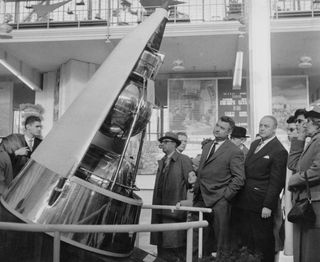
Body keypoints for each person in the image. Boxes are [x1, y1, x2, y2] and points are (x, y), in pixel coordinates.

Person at [233, 115, 288, 262]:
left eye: (266, 126)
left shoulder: (279, 150)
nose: (262, 128)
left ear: (275, 128)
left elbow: (276, 182)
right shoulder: (255, 144)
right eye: (261, 125)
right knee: (247, 240)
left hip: (261, 203)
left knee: (263, 242)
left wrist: (268, 206)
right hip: (245, 200)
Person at [193, 116, 245, 258]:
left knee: (221, 242)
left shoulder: (234, 151)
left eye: (222, 128)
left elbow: (239, 178)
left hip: (220, 201)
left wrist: (225, 197)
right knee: (199, 239)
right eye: (217, 125)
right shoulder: (208, 146)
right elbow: (202, 170)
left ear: (229, 132)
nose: (217, 129)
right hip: (200, 197)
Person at [150, 131, 194, 262]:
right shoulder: (163, 161)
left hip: (174, 212)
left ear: (174, 144)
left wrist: (186, 204)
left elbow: (192, 185)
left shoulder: (183, 160)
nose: (162, 145)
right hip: (160, 210)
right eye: (161, 142)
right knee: (162, 246)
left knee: (175, 246)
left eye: (165, 142)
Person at [287, 105, 320, 262]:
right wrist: (300, 138)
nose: (303, 125)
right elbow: (293, 164)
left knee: (311, 250)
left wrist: (294, 179)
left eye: (306, 121)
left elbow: (318, 170)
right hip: (306, 202)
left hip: (315, 203)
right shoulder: (311, 141)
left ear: (317, 123)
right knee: (303, 249)